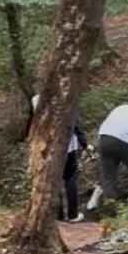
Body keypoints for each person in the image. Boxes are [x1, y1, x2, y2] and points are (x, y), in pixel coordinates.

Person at [31, 94, 89, 224]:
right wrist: (83, 142)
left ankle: (58, 217)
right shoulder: (63, 97)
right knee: (69, 179)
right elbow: (73, 123)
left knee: (52, 181)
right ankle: (73, 215)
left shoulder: (36, 100)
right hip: (68, 146)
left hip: (48, 147)